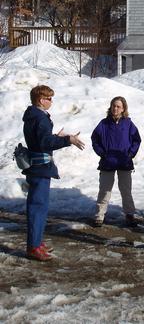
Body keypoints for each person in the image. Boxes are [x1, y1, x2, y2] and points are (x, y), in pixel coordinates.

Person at [23, 85, 85, 261]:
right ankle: (33, 247)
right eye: (49, 98)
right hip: (40, 167)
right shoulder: (40, 118)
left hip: (37, 166)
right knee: (38, 207)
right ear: (41, 100)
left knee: (39, 206)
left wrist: (57, 137)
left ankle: (36, 242)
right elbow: (44, 142)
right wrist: (67, 139)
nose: (51, 101)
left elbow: (41, 139)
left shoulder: (33, 116)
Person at [91, 96, 141, 228]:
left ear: (123, 108)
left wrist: (130, 154)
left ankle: (130, 214)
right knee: (105, 190)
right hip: (108, 162)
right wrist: (102, 153)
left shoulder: (128, 124)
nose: (115, 108)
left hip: (124, 161)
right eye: (114, 105)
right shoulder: (103, 123)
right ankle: (99, 215)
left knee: (126, 190)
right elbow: (94, 139)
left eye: (118, 106)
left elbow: (137, 140)